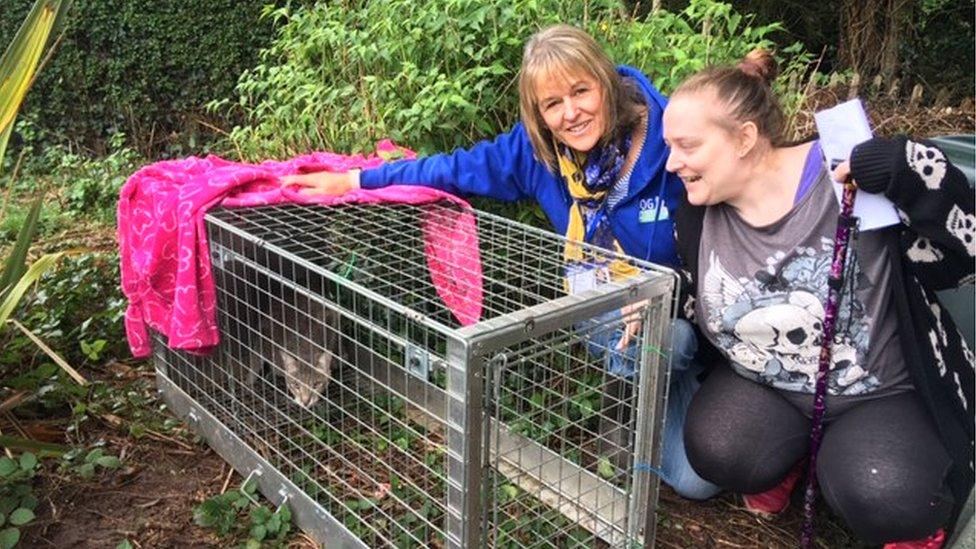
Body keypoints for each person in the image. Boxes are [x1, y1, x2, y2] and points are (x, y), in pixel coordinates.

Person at [280, 24, 721, 500]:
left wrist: (673, 296)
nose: (571, 113)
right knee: (693, 462)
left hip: (682, 306)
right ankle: (638, 399)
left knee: (675, 349)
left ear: (604, 82)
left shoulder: (670, 141)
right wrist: (355, 181)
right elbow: (450, 167)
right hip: (600, 307)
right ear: (539, 113)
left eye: (580, 91)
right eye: (552, 104)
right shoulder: (536, 154)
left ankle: (681, 387)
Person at [663, 49, 974, 547]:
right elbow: (694, 290)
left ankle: (875, 488)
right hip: (769, 384)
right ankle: (790, 458)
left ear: (744, 137)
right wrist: (653, 298)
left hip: (882, 389)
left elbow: (964, 250)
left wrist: (911, 172)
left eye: (687, 145)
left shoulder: (847, 175)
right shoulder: (699, 211)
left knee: (887, 492)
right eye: (668, 146)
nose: (673, 162)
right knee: (716, 449)